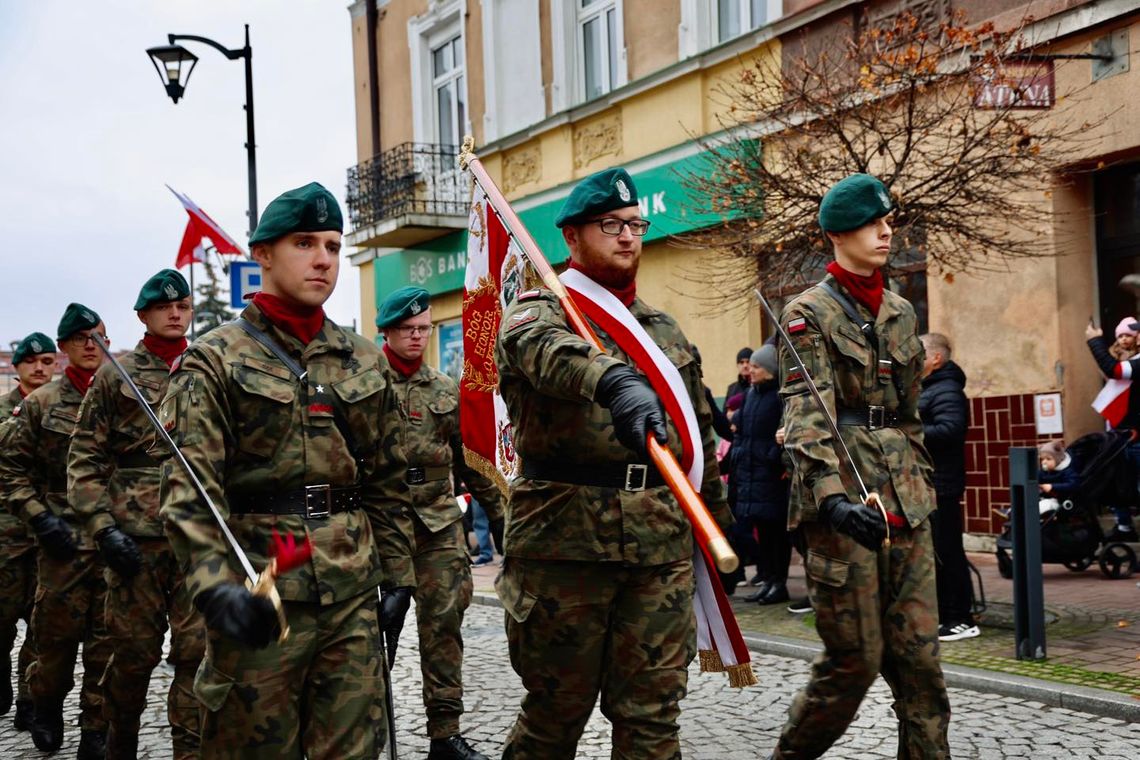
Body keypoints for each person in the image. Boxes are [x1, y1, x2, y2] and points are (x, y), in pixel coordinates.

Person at [159, 182, 415, 758]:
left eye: (332, 244)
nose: (324, 258)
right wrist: (215, 588)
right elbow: (190, 494)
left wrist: (398, 576)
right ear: (264, 254)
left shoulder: (363, 358)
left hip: (351, 590)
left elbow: (390, 479)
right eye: (305, 243)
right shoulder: (214, 360)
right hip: (263, 590)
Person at [494, 167, 730, 759]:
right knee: (555, 715)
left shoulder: (662, 330)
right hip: (565, 546)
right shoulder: (537, 311)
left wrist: (718, 521)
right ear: (572, 238)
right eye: (609, 225)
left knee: (652, 719)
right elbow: (550, 356)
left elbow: (694, 433)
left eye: (634, 224)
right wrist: (614, 380)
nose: (627, 237)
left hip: (659, 545)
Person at [771, 173, 949, 759]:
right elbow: (806, 415)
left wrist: (919, 481)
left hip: (905, 501)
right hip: (843, 506)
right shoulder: (807, 313)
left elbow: (909, 415)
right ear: (837, 235)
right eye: (872, 223)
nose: (885, 229)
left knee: (922, 665)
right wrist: (831, 499)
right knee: (855, 663)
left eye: (887, 220)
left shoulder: (899, 311)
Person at [67, 270, 205, 758]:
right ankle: (117, 739)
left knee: (196, 654)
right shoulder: (114, 375)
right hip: (134, 539)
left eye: (183, 306)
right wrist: (102, 529)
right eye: (164, 307)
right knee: (132, 655)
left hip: (195, 534)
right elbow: (83, 458)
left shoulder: (206, 367)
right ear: (143, 315)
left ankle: (190, 750)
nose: (175, 314)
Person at [375, 285, 504, 760]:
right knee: (376, 629)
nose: (417, 338)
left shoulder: (444, 389)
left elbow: (468, 462)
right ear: (387, 331)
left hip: (437, 524)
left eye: (423, 330)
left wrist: (499, 516)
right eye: (407, 330)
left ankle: (444, 735)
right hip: (383, 523)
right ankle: (366, 731)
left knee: (444, 627)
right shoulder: (367, 384)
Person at [0, 305, 114, 757]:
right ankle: (44, 704)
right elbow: (11, 471)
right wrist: (39, 517)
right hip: (59, 542)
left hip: (110, 540)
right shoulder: (42, 404)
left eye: (100, 336)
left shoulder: (125, 397)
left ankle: (95, 730)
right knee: (53, 645)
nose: (93, 345)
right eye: (82, 337)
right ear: (65, 347)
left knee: (107, 646)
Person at [0, 332, 56, 731]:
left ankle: (29, 699)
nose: (39, 369)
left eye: (47, 362)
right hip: (6, 534)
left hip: (48, 532)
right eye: (31, 362)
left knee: (41, 623)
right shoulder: (5, 410)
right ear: (18, 366)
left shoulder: (61, 407)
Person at [918, 332, 978, 642]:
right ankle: (944, 613)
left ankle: (961, 617)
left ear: (936, 358)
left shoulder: (948, 390)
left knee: (948, 551)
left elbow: (951, 430)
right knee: (935, 554)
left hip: (942, 483)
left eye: (920, 353)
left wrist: (910, 429)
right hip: (928, 483)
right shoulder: (929, 389)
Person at [733, 344, 792, 605]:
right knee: (763, 531)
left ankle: (779, 582)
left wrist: (773, 458)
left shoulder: (780, 397)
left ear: (769, 370)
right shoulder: (751, 394)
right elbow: (742, 431)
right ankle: (767, 579)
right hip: (751, 473)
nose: (750, 371)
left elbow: (785, 431)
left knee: (777, 532)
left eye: (756, 366)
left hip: (771, 474)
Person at [1085, 321, 1140, 541]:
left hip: (1133, 436)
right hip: (1124, 434)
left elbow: (1114, 370)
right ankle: (1124, 528)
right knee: (1116, 481)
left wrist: (1094, 340)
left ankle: (1126, 527)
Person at [1036, 439, 1079, 513]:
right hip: (1044, 497)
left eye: (1048, 459)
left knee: (1042, 507)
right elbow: (1037, 478)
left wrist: (1052, 486)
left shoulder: (1067, 471)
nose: (1044, 462)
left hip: (1060, 501)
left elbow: (1073, 484)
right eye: (1042, 459)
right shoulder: (1044, 472)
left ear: (1058, 460)